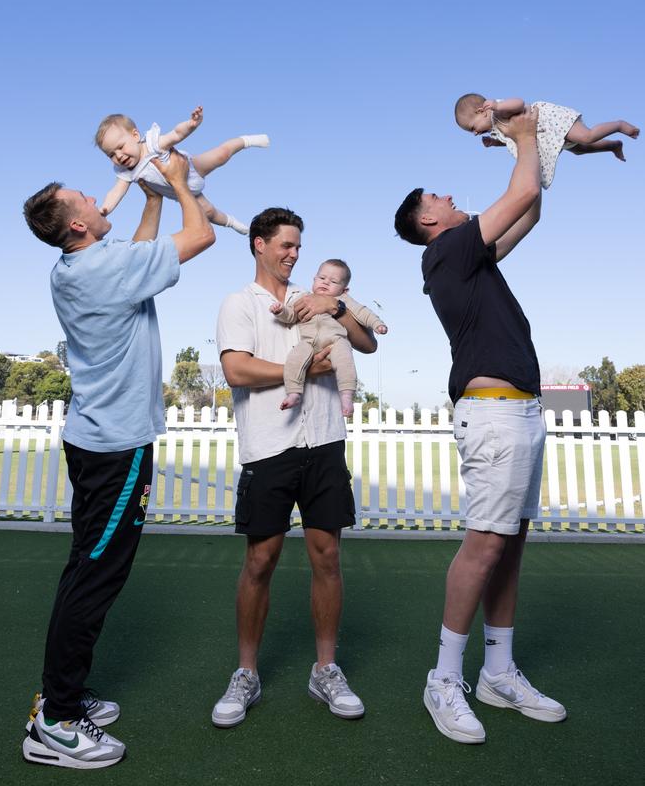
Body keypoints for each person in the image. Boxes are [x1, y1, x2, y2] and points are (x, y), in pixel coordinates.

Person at [21, 150, 214, 769]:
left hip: (91, 439)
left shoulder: (76, 266)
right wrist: (180, 184)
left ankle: (62, 694)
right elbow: (203, 235)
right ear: (78, 225)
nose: (102, 200)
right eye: (88, 201)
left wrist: (151, 195)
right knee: (95, 579)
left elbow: (136, 253)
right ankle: (54, 719)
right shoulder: (105, 269)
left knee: (84, 566)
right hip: (116, 448)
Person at [394, 105, 566, 746]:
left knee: (510, 545)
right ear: (429, 221)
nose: (449, 194)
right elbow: (519, 191)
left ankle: (498, 671)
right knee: (485, 545)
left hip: (519, 411)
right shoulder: (447, 250)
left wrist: (534, 148)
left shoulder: (472, 257)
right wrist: (524, 134)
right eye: (439, 195)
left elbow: (532, 206)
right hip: (493, 416)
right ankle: (444, 679)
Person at [212, 209, 377, 728]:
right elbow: (236, 369)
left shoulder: (322, 301)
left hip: (325, 440)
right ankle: (246, 673)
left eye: (299, 246)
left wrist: (340, 303)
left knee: (327, 556)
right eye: (285, 244)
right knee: (260, 561)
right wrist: (308, 366)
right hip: (268, 446)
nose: (294, 254)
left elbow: (367, 343)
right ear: (259, 245)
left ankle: (325, 669)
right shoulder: (241, 303)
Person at [95, 105, 270, 233]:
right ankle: (232, 223)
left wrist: (191, 124)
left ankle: (247, 141)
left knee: (221, 154)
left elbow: (176, 134)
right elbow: (116, 192)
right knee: (209, 212)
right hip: (185, 192)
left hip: (192, 168)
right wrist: (105, 209)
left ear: (135, 135)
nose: (118, 155)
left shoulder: (153, 144)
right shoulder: (125, 171)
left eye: (120, 147)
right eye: (111, 155)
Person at [270, 258, 387, 415]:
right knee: (294, 358)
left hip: (336, 341)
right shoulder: (304, 298)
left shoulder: (343, 300)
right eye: (322, 278)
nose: (325, 283)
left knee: (345, 360)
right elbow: (291, 315)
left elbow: (362, 312)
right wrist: (280, 311)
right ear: (314, 279)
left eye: (333, 281)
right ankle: (294, 393)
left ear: (344, 290)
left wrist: (377, 324)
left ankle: (346, 396)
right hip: (308, 342)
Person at [454, 93, 639, 187]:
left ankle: (619, 125)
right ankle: (613, 145)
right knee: (579, 149)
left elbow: (519, 102)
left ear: (481, 111)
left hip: (550, 121)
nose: (475, 133)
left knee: (586, 136)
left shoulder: (498, 111)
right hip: (544, 135)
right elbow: (516, 139)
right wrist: (496, 143)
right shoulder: (495, 129)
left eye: (472, 128)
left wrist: (498, 104)